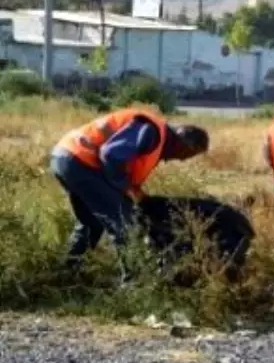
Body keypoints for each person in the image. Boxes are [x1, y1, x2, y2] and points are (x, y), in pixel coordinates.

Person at [50, 108, 210, 280]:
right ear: (184, 144)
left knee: (92, 222)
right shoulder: (152, 132)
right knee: (124, 223)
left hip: (64, 158)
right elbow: (111, 155)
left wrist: (130, 191)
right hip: (80, 162)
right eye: (186, 155)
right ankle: (133, 283)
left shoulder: (155, 135)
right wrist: (127, 188)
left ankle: (67, 273)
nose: (181, 160)